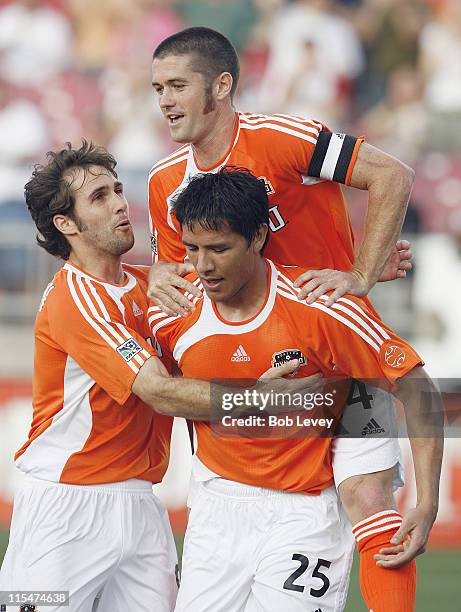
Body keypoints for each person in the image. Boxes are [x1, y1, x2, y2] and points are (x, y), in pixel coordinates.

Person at [147, 26, 420, 609]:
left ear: (222, 85)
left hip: (342, 351)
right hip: (257, 370)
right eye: (157, 88)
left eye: (177, 85)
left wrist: (362, 272)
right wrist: (154, 277)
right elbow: (179, 280)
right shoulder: (164, 183)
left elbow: (392, 174)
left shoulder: (279, 137)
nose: (165, 100)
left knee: (368, 498)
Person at [0, 142, 309, 612]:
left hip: (142, 503)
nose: (121, 203)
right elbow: (158, 390)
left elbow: (246, 269)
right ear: (66, 224)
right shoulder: (75, 298)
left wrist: (356, 272)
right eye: (99, 197)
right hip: (65, 508)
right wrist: (257, 398)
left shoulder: (153, 284)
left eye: (118, 190)